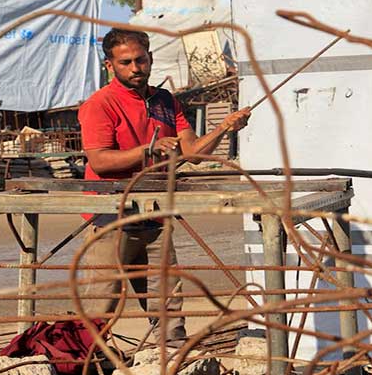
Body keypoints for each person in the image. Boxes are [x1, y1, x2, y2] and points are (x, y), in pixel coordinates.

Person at [76, 28, 251, 341]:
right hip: (111, 214)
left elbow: (193, 153)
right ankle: (88, 366)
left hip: (156, 212)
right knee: (101, 302)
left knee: (167, 296)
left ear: (150, 58)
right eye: (125, 62)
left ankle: (172, 359)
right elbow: (100, 161)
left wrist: (224, 127)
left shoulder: (165, 101)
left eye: (140, 60)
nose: (135, 68)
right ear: (110, 66)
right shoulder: (100, 104)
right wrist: (149, 149)